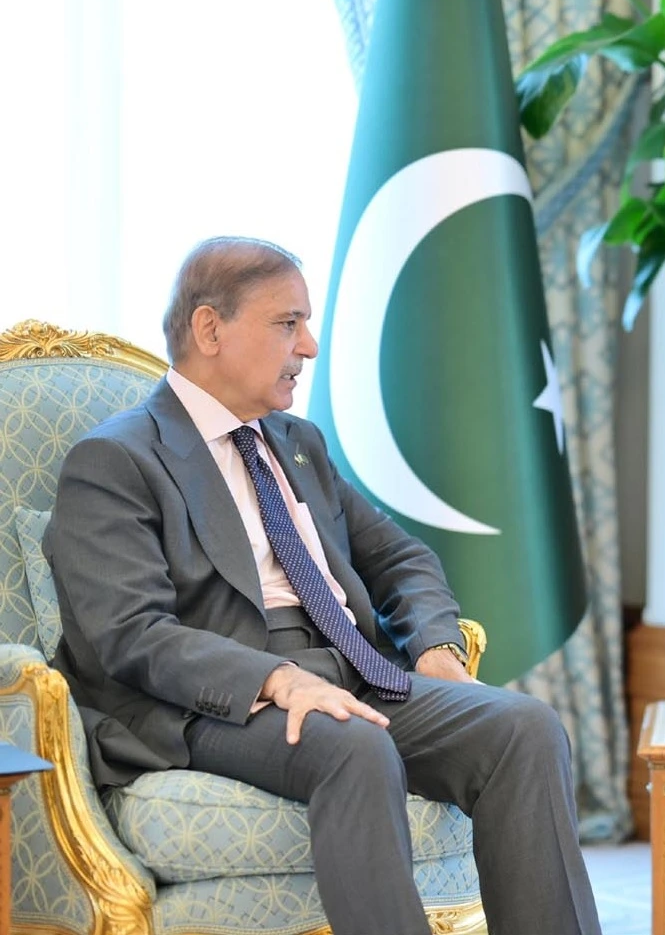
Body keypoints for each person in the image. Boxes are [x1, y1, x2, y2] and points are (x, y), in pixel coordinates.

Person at [45, 237, 603, 935]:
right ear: (210, 329)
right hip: (220, 698)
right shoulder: (116, 458)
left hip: (353, 670)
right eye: (288, 323)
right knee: (354, 745)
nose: (308, 345)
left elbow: (399, 558)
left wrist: (436, 647)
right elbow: (130, 633)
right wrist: (277, 679)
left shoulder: (296, 442)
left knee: (525, 727)